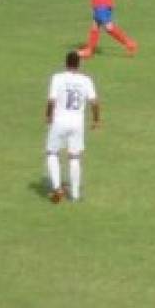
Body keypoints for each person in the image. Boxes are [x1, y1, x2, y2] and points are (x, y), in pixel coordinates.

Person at [44, 50, 100, 203]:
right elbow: (94, 102)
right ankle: (75, 195)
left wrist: (48, 115)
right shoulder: (86, 80)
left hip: (60, 120)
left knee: (52, 153)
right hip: (77, 123)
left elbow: (51, 100)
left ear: (65, 63)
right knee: (74, 157)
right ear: (79, 65)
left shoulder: (58, 78)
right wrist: (96, 120)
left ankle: (57, 188)